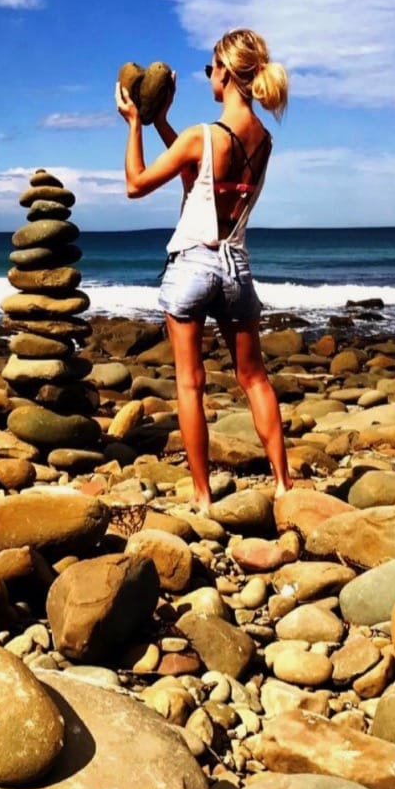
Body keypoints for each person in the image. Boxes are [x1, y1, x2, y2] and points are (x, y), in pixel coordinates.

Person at [115, 28, 293, 512]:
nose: (208, 77)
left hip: (193, 264)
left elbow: (136, 184)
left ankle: (202, 495)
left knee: (189, 384)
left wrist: (135, 123)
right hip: (236, 267)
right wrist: (162, 123)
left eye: (211, 68)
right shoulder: (264, 142)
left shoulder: (202, 135)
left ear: (226, 72)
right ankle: (282, 484)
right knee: (254, 379)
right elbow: (199, 175)